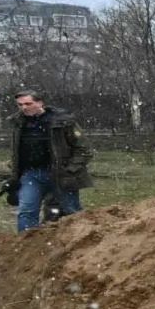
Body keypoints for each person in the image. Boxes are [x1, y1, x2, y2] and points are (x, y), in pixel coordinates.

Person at [9, 89, 93, 233]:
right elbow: (16, 151)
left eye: (28, 103)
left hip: (60, 173)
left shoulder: (62, 121)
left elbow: (84, 149)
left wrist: (70, 169)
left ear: (40, 103)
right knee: (27, 211)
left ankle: (80, 242)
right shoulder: (18, 123)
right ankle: (25, 245)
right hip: (31, 174)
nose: (24, 108)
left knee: (71, 211)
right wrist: (14, 175)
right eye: (20, 105)